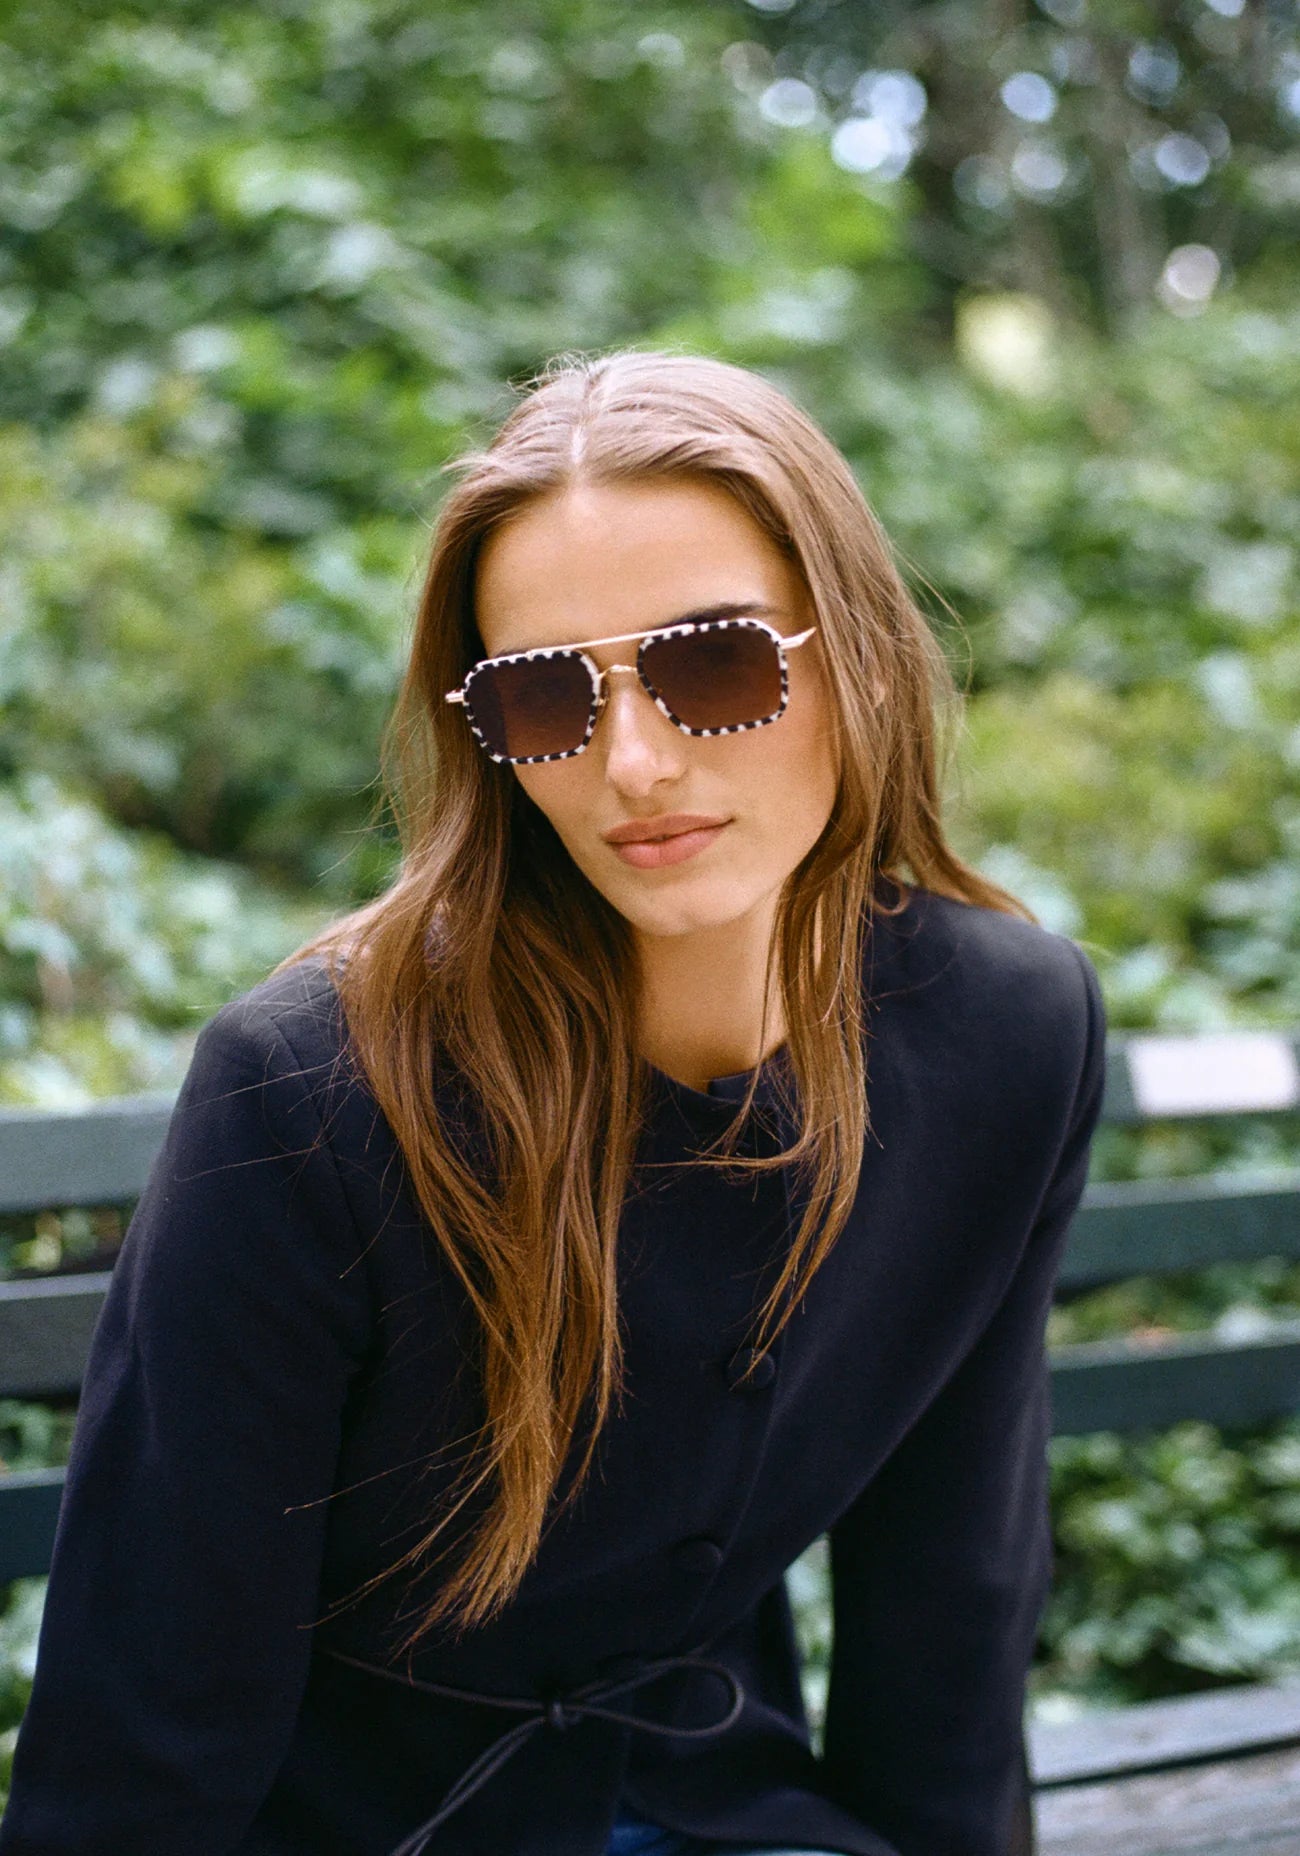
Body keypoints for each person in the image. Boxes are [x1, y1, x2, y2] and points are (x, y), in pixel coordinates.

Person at [0, 348, 1106, 1856]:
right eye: (545, 695)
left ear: (853, 655)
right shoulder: (318, 1091)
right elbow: (145, 1732)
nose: (634, 760)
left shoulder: (1009, 1031)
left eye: (714, 661)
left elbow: (952, 1603)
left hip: (731, 1814)